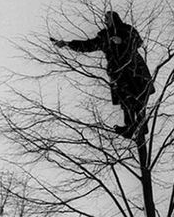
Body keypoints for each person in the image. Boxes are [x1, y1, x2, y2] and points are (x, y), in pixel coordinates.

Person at [51, 11, 155, 139]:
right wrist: (68, 44)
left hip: (134, 69)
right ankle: (130, 127)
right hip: (118, 73)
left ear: (115, 18)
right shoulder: (105, 36)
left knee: (138, 97)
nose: (105, 20)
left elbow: (137, 42)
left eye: (107, 18)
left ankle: (140, 126)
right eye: (105, 18)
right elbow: (88, 45)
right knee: (125, 100)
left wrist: (122, 41)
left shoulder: (127, 29)